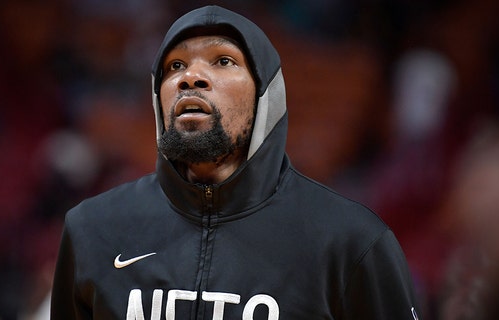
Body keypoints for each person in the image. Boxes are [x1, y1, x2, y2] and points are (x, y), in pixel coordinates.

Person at [51, 5, 421, 319]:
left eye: (223, 60)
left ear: (265, 95)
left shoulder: (350, 243)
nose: (190, 77)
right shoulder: (92, 230)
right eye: (175, 65)